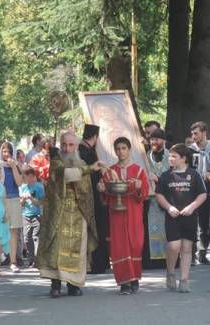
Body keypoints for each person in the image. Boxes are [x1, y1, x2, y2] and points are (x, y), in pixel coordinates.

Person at [37, 132, 102, 298]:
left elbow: (87, 191)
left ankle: (74, 284)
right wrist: (89, 169)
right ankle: (56, 284)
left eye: (71, 145)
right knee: (57, 248)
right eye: (64, 144)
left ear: (77, 146)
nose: (67, 148)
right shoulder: (57, 162)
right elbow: (66, 174)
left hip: (79, 213)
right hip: (59, 213)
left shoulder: (81, 162)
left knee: (77, 250)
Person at [99, 137, 149, 295]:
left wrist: (140, 187)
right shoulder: (109, 171)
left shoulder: (138, 171)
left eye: (123, 148)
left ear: (129, 150)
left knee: (135, 244)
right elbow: (105, 198)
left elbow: (144, 194)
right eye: (118, 149)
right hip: (117, 214)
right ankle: (124, 282)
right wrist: (102, 189)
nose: (121, 152)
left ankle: (134, 278)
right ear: (115, 151)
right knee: (119, 247)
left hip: (134, 213)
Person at [156, 144, 208, 293]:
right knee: (173, 246)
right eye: (169, 156)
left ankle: (184, 280)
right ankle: (171, 272)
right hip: (172, 217)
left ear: (184, 158)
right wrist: (169, 207)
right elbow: (159, 194)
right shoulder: (165, 176)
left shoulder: (194, 174)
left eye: (174, 156)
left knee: (186, 248)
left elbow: (202, 194)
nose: (170, 159)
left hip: (189, 217)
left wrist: (192, 206)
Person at [78, 123, 109, 274]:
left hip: (85, 194)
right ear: (95, 137)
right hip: (93, 196)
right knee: (97, 228)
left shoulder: (80, 150)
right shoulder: (89, 152)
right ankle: (98, 264)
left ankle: (97, 263)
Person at [190, 121, 210, 265]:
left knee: (208, 223)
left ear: (204, 133)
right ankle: (192, 254)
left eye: (196, 133)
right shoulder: (190, 150)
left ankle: (203, 252)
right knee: (194, 223)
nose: (194, 137)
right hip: (194, 190)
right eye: (192, 134)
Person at [144, 128, 169, 269]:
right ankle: (151, 261)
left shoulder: (170, 155)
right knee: (150, 228)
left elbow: (173, 176)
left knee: (166, 229)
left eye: (157, 139)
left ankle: (167, 259)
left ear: (163, 141)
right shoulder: (145, 156)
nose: (154, 142)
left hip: (166, 198)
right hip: (150, 200)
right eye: (152, 139)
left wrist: (158, 178)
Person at [0, 141, 24, 273]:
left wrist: (14, 167)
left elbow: (19, 183)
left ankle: (13, 262)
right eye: (4, 151)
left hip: (13, 199)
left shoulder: (17, 166)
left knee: (13, 231)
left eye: (8, 151)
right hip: (0, 200)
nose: (6, 154)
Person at [20, 166, 45, 268]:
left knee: (36, 237)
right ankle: (31, 259)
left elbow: (42, 201)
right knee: (27, 238)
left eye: (27, 176)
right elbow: (21, 204)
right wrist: (23, 200)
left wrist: (31, 198)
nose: (26, 178)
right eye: (24, 176)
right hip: (26, 215)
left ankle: (37, 260)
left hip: (36, 215)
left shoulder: (39, 187)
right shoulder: (23, 187)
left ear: (32, 176)